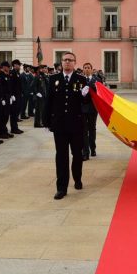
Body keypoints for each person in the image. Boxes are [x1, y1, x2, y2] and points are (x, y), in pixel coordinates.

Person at [46, 52, 90, 200]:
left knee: (77, 155)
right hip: (59, 125)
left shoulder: (81, 79)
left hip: (76, 124)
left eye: (70, 60)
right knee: (61, 156)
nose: (67, 62)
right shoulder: (53, 79)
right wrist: (46, 122)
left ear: (74, 62)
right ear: (61, 62)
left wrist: (85, 95)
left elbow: (86, 103)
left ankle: (77, 178)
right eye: (64, 60)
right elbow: (49, 101)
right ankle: (61, 187)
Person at [81, 62, 100, 160]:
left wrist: (90, 86)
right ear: (83, 69)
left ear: (92, 69)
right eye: (85, 68)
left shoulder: (96, 80)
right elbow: (76, 92)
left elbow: (100, 92)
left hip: (93, 108)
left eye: (88, 68)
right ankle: (85, 152)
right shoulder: (80, 79)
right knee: (84, 130)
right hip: (83, 108)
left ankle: (93, 148)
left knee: (92, 129)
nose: (87, 69)